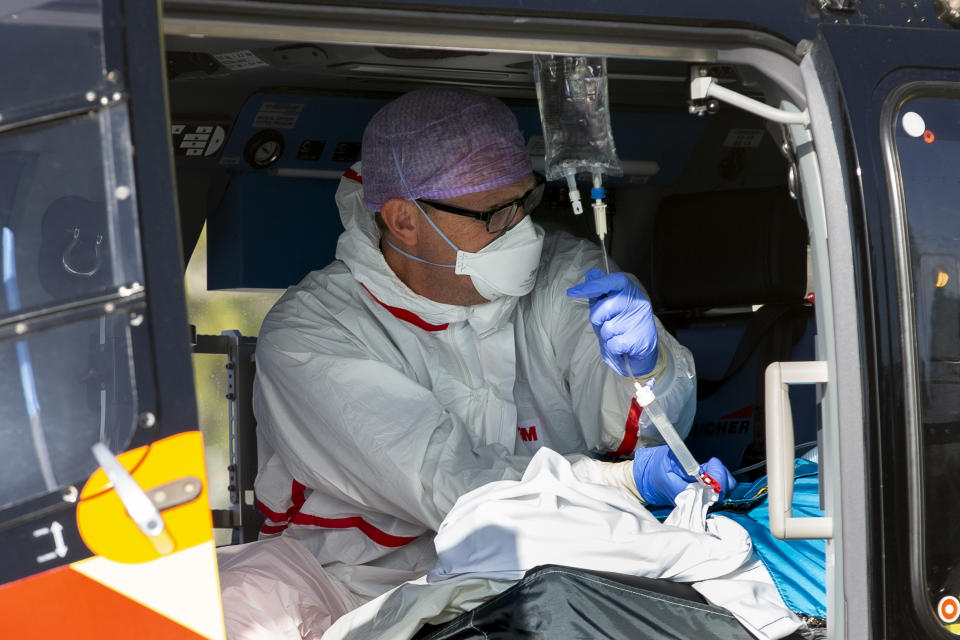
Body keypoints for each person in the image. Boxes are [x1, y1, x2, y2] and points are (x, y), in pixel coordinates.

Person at [246, 87, 735, 608]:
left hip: (548, 576)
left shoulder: (562, 276)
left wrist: (648, 368)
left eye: (526, 200)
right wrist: (621, 483)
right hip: (357, 594)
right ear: (404, 221)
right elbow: (454, 487)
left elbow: (639, 431)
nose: (522, 229)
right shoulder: (314, 332)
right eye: (494, 214)